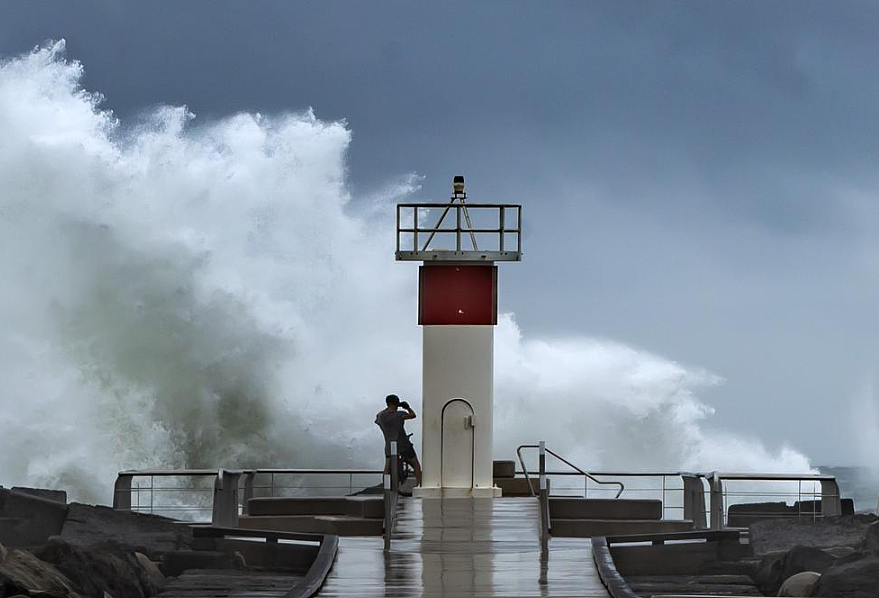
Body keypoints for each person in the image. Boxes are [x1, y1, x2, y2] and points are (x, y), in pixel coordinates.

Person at [375, 394, 422, 487]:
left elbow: (377, 419)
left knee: (387, 468)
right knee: (416, 464)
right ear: (396, 403)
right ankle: (419, 486)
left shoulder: (380, 416)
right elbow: (413, 415)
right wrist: (407, 407)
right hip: (403, 445)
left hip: (389, 446)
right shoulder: (399, 415)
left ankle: (386, 489)